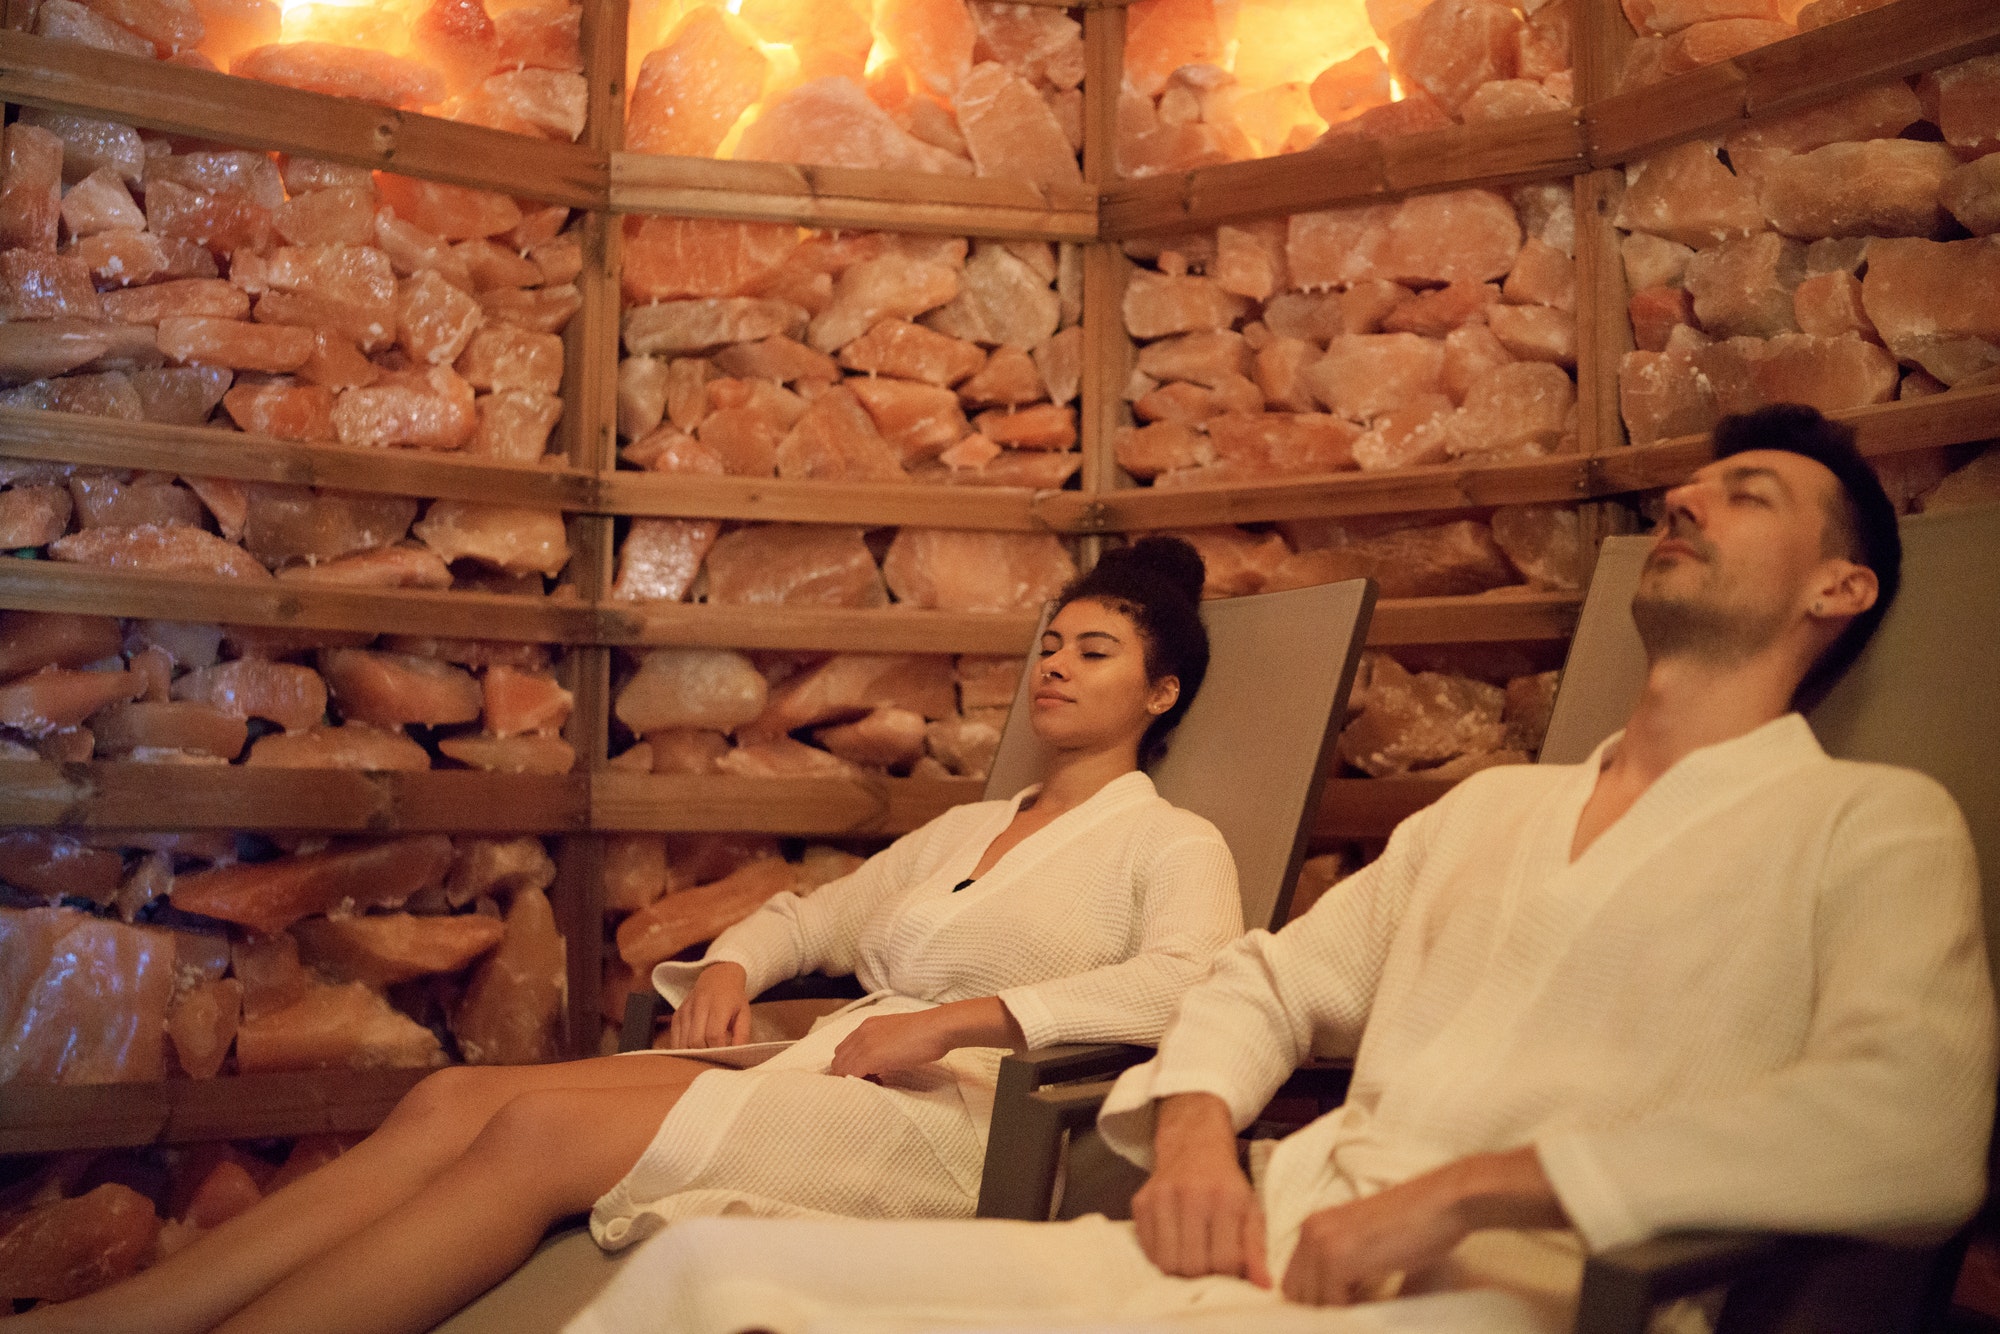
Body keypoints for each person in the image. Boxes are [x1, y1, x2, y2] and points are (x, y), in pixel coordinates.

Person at [563, 403, 1997, 1334]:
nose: (1683, 498)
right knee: (701, 1278)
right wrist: (1191, 1131)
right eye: (1685, 484)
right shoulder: (1490, 811)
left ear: (1839, 587)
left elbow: (1915, 1124)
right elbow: (1262, 977)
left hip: (1511, 1294)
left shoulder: (1869, 825)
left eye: (1741, 495)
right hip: (1262, 1243)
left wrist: (1478, 1190)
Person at [20, 536, 1247, 1334]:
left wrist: (964, 1017)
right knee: (448, 1104)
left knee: (537, 1128)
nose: (1056, 665)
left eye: (1095, 650)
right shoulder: (972, 826)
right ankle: (125, 1318)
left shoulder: (1169, 840)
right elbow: (806, 913)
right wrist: (731, 962)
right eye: (1049, 643)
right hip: (834, 1065)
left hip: (964, 1118)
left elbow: (1192, 982)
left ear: (1161, 690)